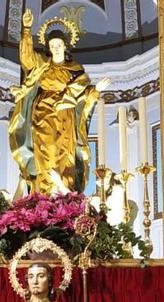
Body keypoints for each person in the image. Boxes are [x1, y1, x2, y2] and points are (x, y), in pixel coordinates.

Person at [9, 9, 110, 195]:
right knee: (44, 155)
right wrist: (26, 29)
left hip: (65, 117)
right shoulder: (42, 65)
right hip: (42, 114)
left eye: (59, 44)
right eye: (52, 44)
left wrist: (96, 91)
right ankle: (43, 197)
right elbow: (26, 58)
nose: (55, 47)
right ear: (48, 47)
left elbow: (84, 97)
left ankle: (65, 199)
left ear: (65, 46)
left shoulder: (75, 71)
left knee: (65, 156)